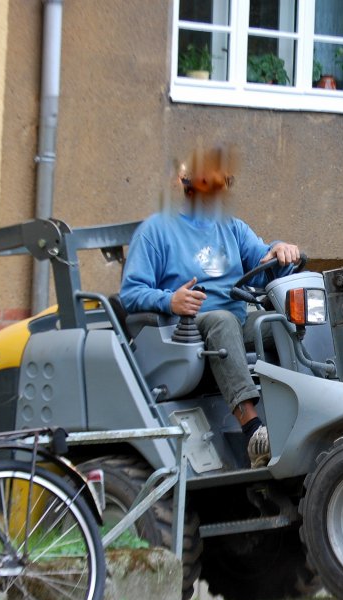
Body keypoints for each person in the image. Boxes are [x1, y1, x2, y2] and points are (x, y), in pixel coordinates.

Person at [119, 145, 302, 467]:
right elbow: (131, 293)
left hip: (233, 322)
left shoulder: (232, 227)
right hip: (181, 328)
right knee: (221, 320)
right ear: (184, 181)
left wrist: (281, 250)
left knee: (283, 322)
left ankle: (304, 412)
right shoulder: (155, 230)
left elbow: (263, 261)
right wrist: (169, 300)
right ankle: (253, 431)